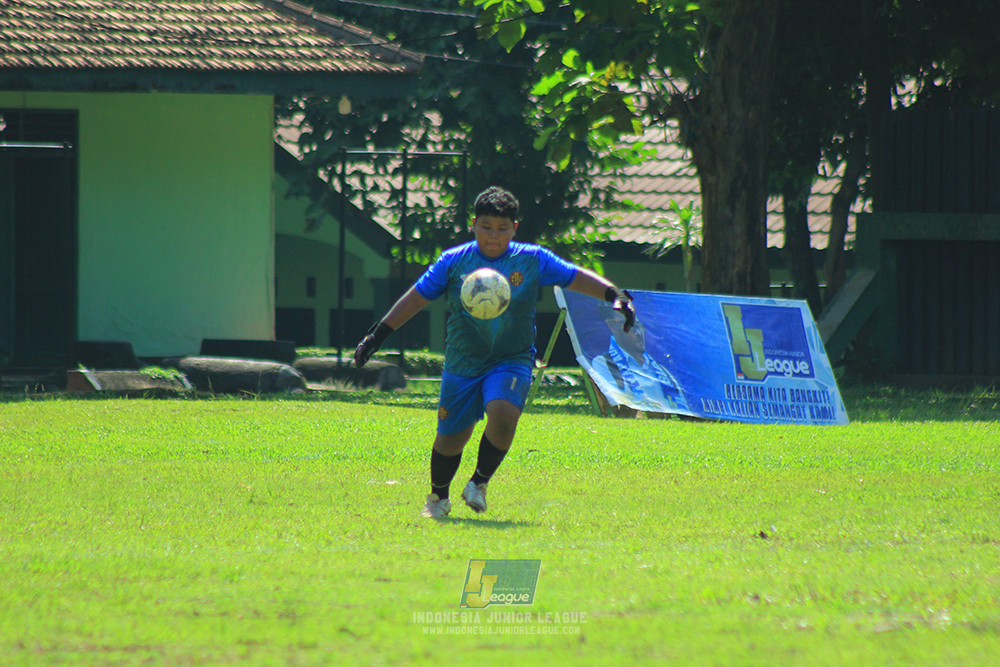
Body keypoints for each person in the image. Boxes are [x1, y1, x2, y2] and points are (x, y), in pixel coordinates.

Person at [354, 186, 635, 519]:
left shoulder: (531, 259)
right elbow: (417, 297)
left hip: (511, 359)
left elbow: (573, 276)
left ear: (515, 228)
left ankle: (478, 483)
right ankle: (438, 497)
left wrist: (614, 294)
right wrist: (378, 335)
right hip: (463, 362)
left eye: (502, 229)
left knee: (503, 415)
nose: (493, 236)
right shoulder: (453, 262)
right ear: (473, 224)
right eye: (486, 227)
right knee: (451, 438)